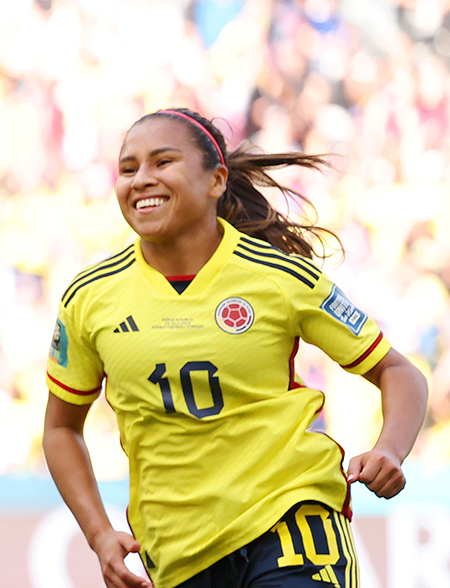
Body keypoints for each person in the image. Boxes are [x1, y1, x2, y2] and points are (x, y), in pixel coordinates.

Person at [41, 107, 428, 588]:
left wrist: (391, 448)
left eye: (162, 162)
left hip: (292, 524)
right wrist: (99, 535)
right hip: (178, 552)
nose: (141, 179)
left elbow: (397, 371)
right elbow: (60, 430)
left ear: (217, 180)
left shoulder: (279, 277)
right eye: (128, 168)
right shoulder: (90, 297)